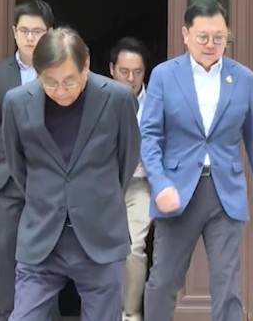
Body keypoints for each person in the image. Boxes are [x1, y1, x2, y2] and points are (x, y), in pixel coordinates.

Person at [140, 2, 253, 321]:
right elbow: (150, 136)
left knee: (227, 287)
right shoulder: (164, 75)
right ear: (185, 35)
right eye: (203, 37)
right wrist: (159, 183)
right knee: (162, 282)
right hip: (176, 192)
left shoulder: (243, 79)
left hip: (224, 192)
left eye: (219, 37)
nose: (211, 45)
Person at [2, 27, 140, 321]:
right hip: (42, 236)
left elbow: (126, 160)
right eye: (50, 83)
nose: (61, 91)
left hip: (100, 236)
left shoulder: (117, 99)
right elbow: (18, 165)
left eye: (69, 81)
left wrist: (95, 197)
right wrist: (49, 197)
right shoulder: (16, 102)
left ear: (86, 65)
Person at [0, 0, 55, 321]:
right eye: (24, 31)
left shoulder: (59, 72)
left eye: (38, 31)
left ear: (49, 33)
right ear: (14, 32)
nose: (30, 38)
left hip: (47, 181)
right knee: (4, 256)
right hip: (3, 180)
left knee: (48, 259)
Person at [108, 36, 151, 321]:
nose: (131, 79)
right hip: (105, 186)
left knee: (134, 247)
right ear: (112, 70)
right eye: (124, 72)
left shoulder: (157, 101)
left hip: (140, 185)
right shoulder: (99, 98)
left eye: (137, 72)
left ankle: (130, 313)